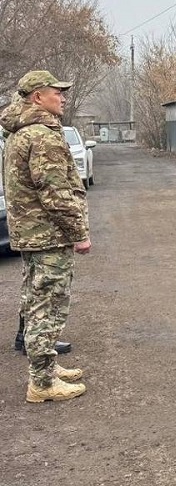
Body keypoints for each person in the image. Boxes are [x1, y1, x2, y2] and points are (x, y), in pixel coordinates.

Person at [0, 70, 91, 403]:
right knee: (48, 306)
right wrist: (78, 232)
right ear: (38, 96)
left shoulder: (21, 132)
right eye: (57, 92)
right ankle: (41, 382)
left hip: (31, 233)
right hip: (48, 235)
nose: (63, 97)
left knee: (35, 298)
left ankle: (47, 369)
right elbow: (54, 192)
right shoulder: (41, 135)